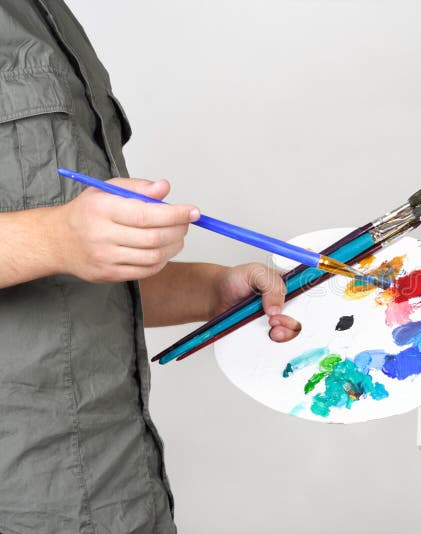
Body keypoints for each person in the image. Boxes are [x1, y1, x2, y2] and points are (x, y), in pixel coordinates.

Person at [0, 1, 301, 532]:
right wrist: (57, 236)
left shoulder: (49, 16)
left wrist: (214, 291)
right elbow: (61, 244)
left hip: (122, 489)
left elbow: (67, 292)